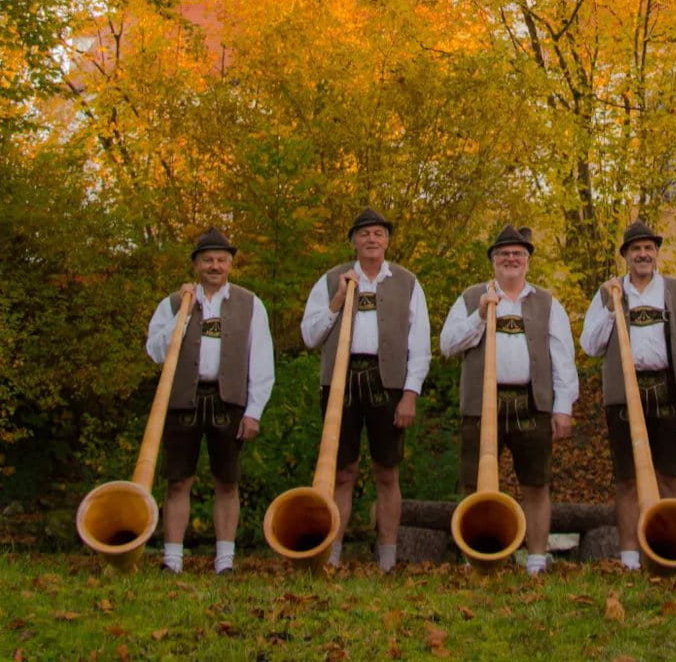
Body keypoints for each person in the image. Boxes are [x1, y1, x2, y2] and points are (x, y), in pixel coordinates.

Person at [440, 225, 579, 575]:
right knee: (474, 483)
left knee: (536, 482)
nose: (511, 259)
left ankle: (535, 558)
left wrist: (563, 408)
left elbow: (563, 359)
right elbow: (446, 345)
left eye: (518, 254)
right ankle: (476, 554)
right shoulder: (471, 297)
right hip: (480, 405)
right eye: (504, 254)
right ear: (493, 261)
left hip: (530, 404)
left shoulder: (547, 302)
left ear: (528, 261)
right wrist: (480, 316)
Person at [301, 208, 430, 571]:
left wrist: (410, 394)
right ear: (353, 241)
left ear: (387, 241)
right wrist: (338, 300)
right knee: (341, 472)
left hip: (387, 383)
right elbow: (309, 336)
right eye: (364, 234)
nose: (372, 239)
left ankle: (387, 558)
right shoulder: (330, 280)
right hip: (339, 382)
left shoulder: (406, 281)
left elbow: (419, 345)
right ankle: (333, 553)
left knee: (387, 472)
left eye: (378, 233)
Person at [580, 220, 676, 571]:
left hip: (667, 391)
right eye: (635, 249)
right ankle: (630, 557)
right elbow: (589, 346)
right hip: (624, 394)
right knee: (627, 479)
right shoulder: (608, 291)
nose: (643, 254)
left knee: (670, 474)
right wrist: (611, 308)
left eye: (648, 248)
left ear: (656, 253)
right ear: (625, 256)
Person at [145, 227, 274, 575]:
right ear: (196, 265)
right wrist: (184, 314)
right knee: (178, 481)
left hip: (228, 400)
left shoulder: (250, 303)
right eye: (207, 260)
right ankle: (172, 559)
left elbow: (261, 362)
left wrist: (254, 412)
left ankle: (225, 561)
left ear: (230, 264)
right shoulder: (173, 303)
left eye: (221, 260)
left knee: (227, 481)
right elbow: (155, 353)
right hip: (182, 400)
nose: (215, 266)